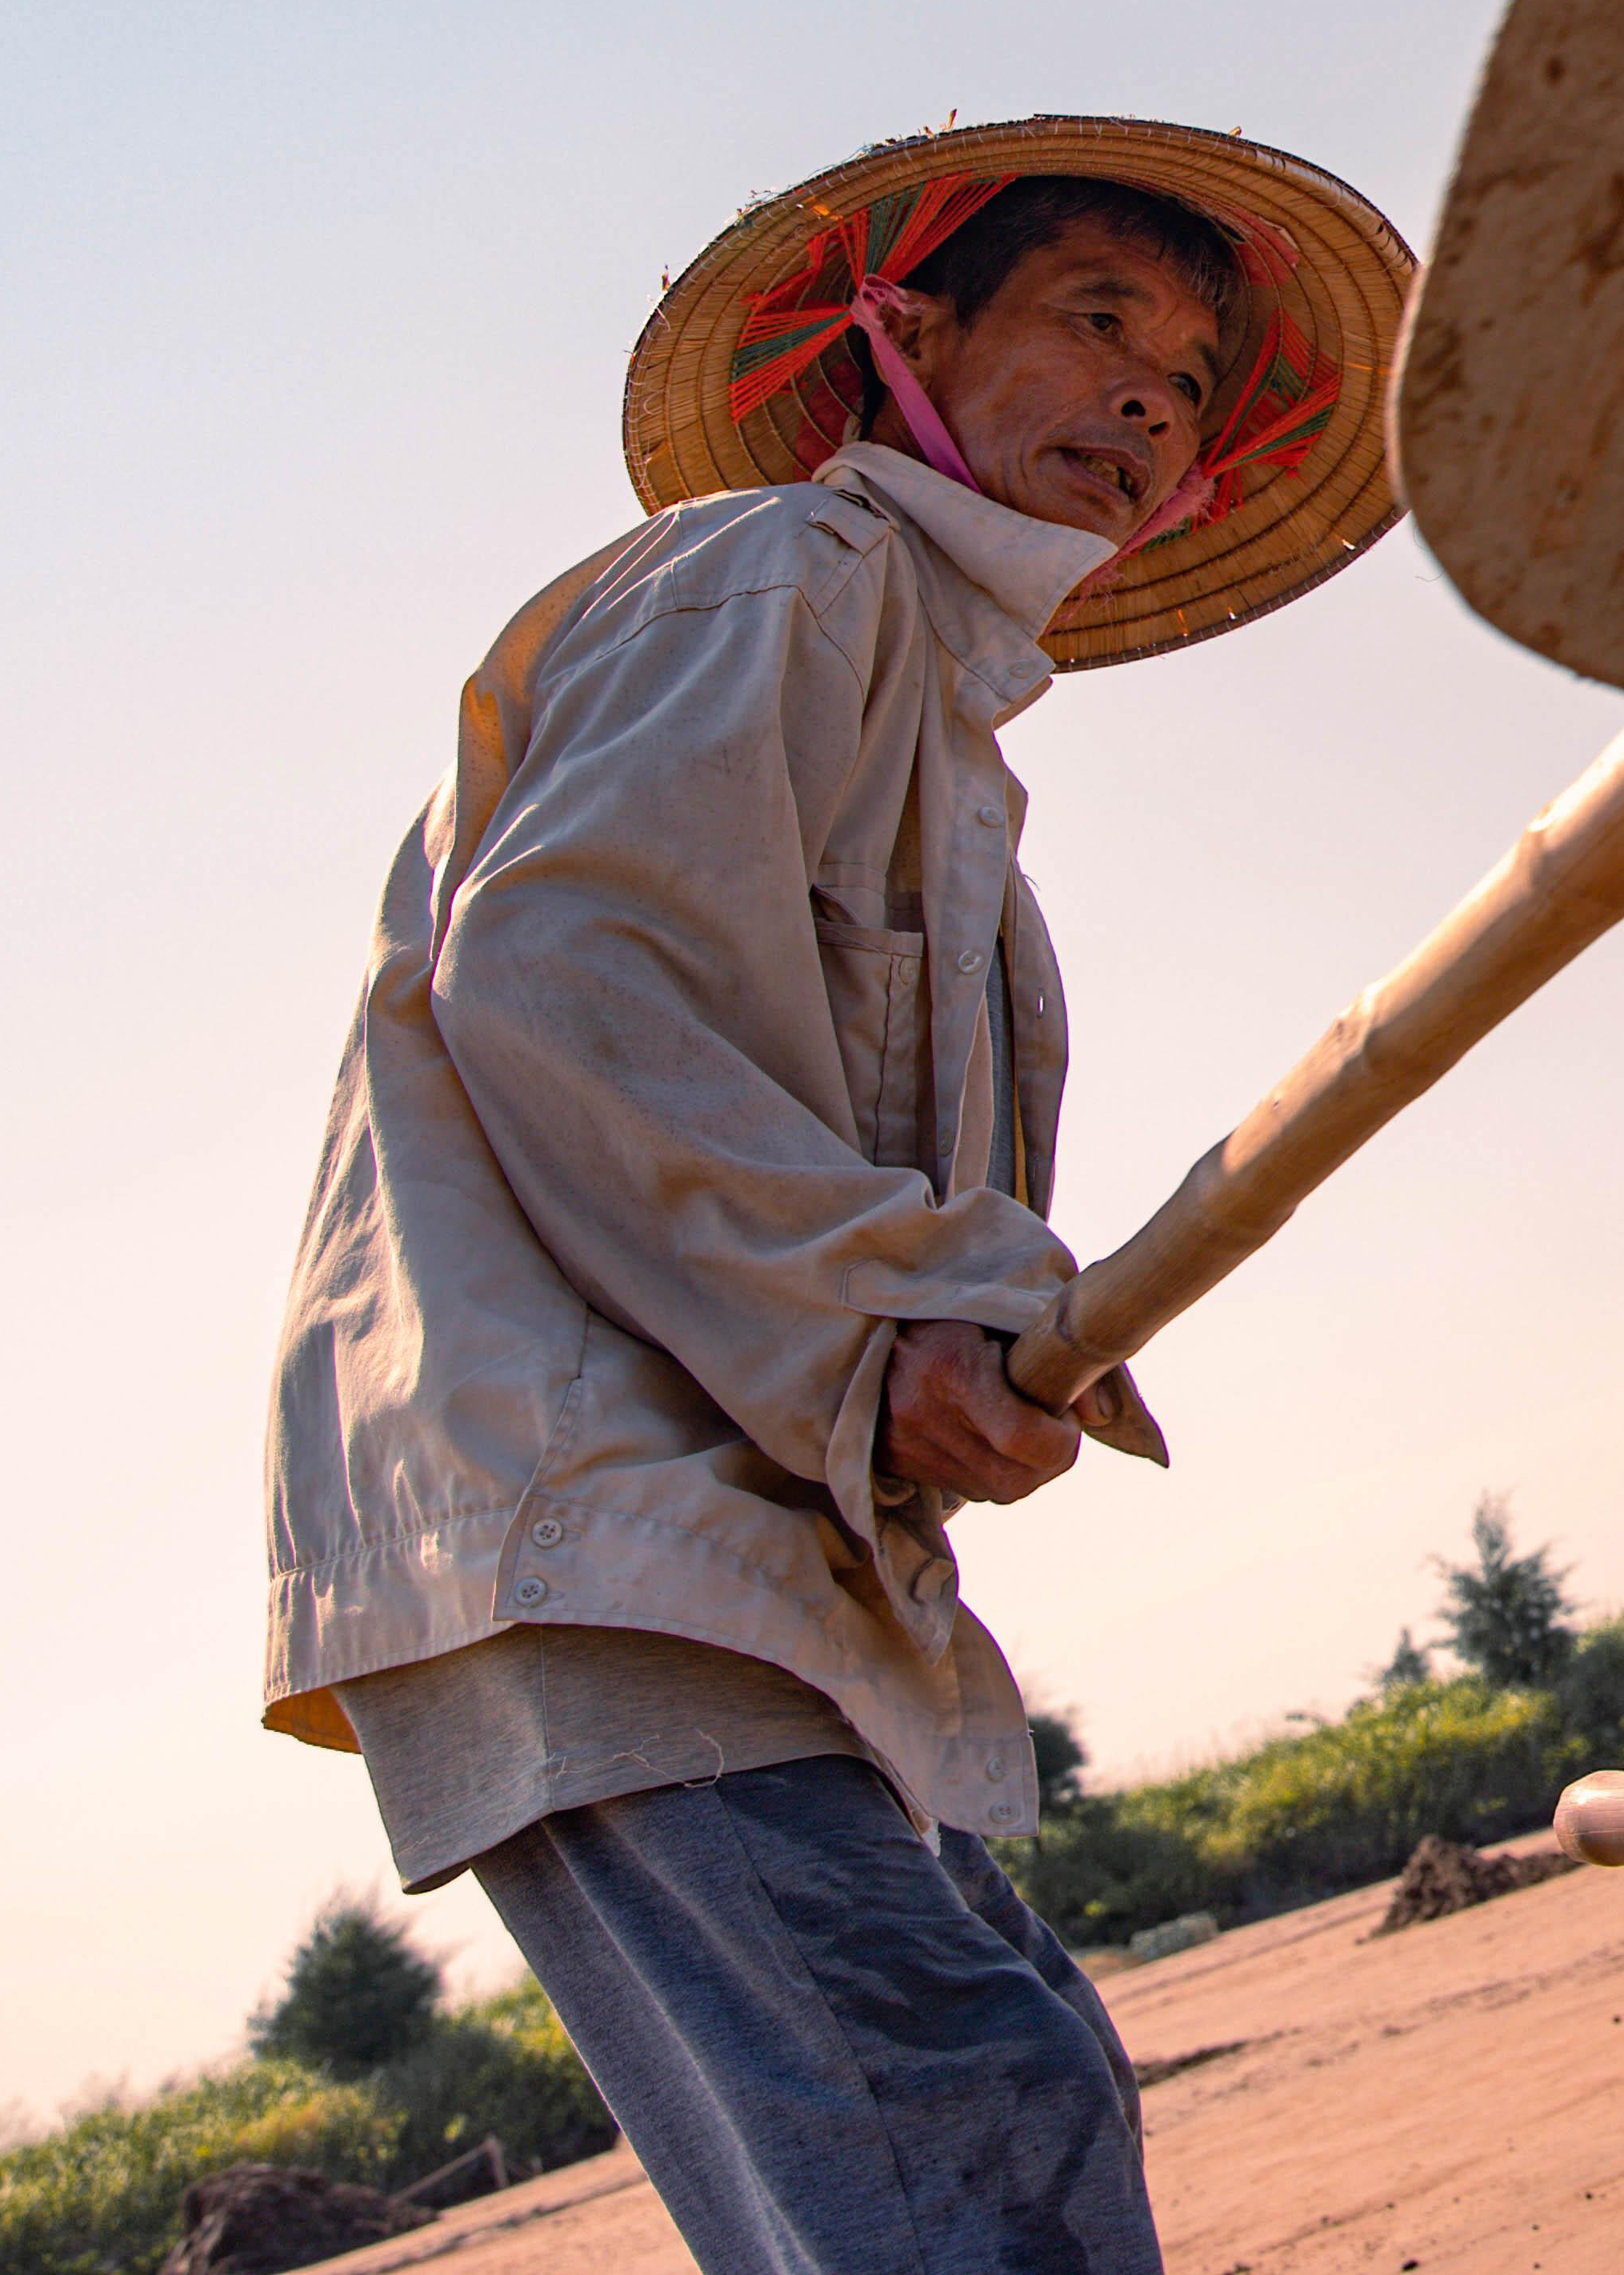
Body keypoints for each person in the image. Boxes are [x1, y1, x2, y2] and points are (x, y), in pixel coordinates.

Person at [263, 118, 1412, 2275]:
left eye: (1189, 372)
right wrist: (892, 1308)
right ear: (909, 332)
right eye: (1095, 319)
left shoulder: (953, 758)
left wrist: (953, 1353)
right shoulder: (785, 574)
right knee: (968, 2113)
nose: (1150, 395)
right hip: (595, 1504)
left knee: (996, 2096)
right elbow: (563, 972)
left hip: (730, 1536)